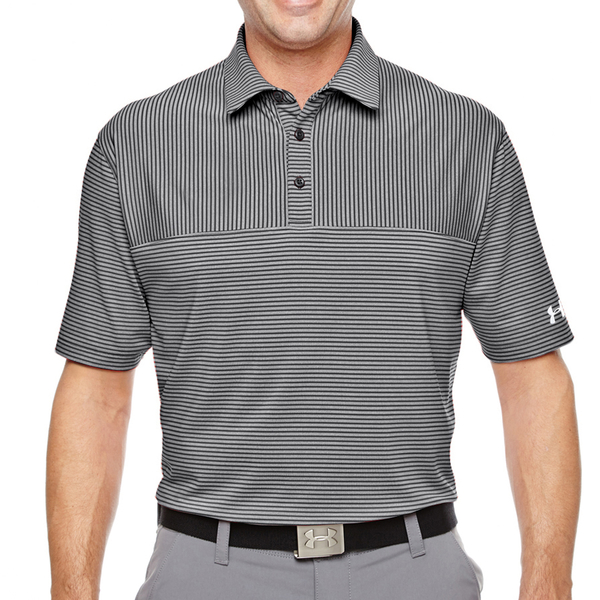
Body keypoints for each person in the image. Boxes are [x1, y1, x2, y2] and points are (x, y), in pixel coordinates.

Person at [46, 1, 581, 599]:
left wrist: (548, 584)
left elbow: (532, 378)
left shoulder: (468, 139)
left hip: (413, 570)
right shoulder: (135, 145)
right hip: (205, 573)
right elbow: (97, 391)